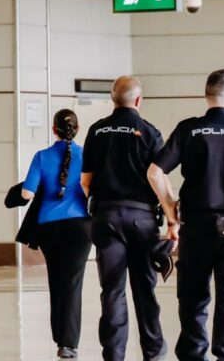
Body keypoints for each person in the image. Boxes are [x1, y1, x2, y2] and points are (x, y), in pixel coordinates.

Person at [148, 68, 224, 361]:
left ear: (208, 95)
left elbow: (155, 172)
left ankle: (192, 355)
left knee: (192, 297)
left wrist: (171, 209)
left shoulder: (189, 129)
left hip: (196, 226)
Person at [80, 76, 169, 361]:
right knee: (145, 289)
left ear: (113, 98)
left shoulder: (96, 131)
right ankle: (153, 353)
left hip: (106, 217)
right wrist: (172, 216)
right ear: (139, 100)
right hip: (142, 219)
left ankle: (114, 354)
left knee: (112, 290)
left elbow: (85, 182)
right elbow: (159, 178)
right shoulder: (150, 132)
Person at [21, 109, 92, 359]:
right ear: (78, 128)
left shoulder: (42, 157)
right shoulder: (87, 156)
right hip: (80, 227)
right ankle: (68, 343)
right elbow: (91, 188)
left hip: (49, 228)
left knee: (56, 280)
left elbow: (27, 194)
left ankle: (59, 335)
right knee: (73, 283)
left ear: (53, 130)